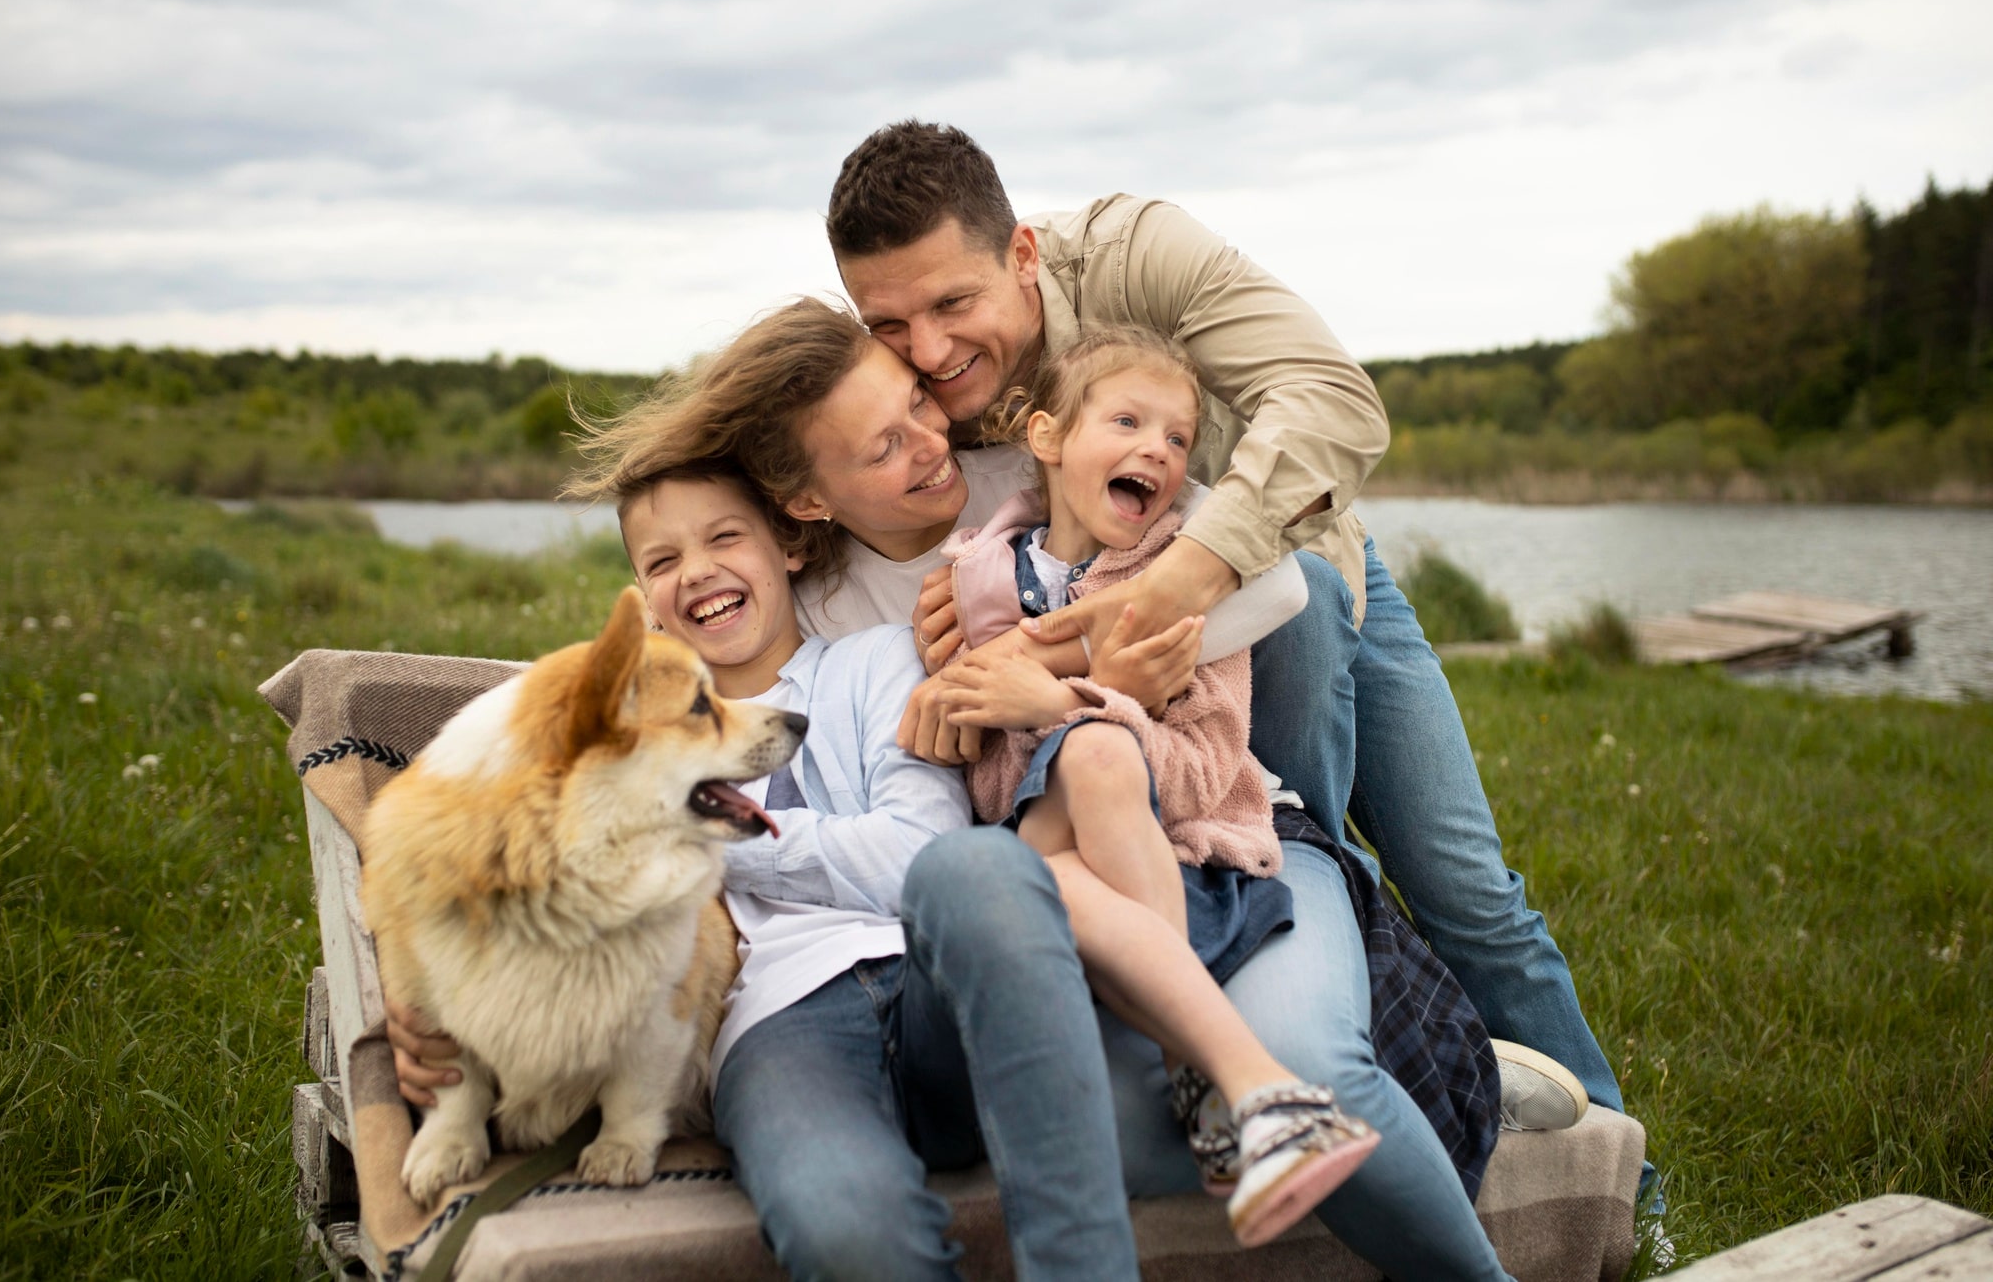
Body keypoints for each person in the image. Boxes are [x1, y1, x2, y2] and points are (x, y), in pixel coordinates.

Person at [574, 299, 1516, 1280]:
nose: (929, 445)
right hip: (1029, 886)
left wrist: (1047, 668)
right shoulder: (803, 621)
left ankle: (1330, 1093)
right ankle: (1270, 1071)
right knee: (1073, 1046)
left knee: (1263, 1037)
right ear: (804, 509)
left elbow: (1291, 595)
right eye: (882, 447)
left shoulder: (1015, 489)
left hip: (1188, 830)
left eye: (915, 407)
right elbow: (543, 825)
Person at [824, 119, 1624, 1142]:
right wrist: (960, 589)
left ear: (1021, 254)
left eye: (952, 303)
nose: (928, 352)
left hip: (1291, 581)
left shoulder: (1135, 254)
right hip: (1116, 675)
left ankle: (1613, 1181)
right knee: (1285, 864)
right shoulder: (906, 375)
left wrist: (1173, 585)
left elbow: (1333, 398)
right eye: (888, 323)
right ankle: (1379, 1081)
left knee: (1460, 886)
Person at [614, 459, 1139, 1280]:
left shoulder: (874, 662)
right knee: (846, 1227)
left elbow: (915, 855)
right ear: (644, 597)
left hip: (935, 981)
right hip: (777, 1023)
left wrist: (709, 837)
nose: (699, 572)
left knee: (978, 865)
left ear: (785, 546)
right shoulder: (633, 737)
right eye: (662, 560)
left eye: (725, 537)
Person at [940, 323, 1380, 1244]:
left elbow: (1202, 776)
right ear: (1048, 435)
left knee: (1099, 756)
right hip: (1056, 865)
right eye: (1129, 420)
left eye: (1178, 439)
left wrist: (1072, 703)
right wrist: (1067, 707)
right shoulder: (978, 578)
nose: (1158, 450)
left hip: (1173, 860)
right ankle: (1242, 1084)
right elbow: (989, 790)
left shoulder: (1187, 580)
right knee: (1070, 797)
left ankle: (1226, 1081)